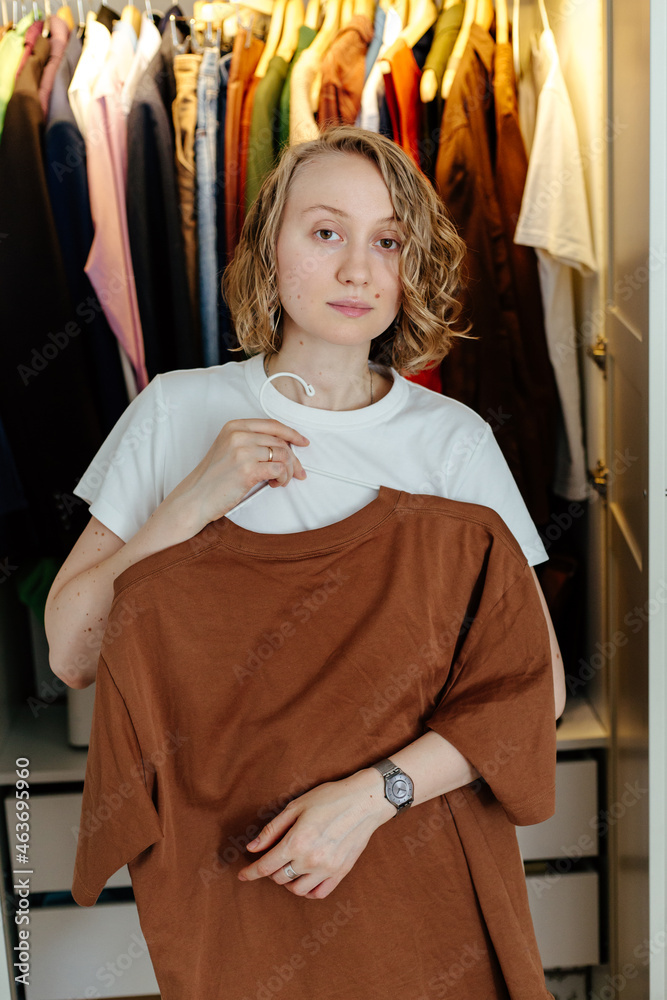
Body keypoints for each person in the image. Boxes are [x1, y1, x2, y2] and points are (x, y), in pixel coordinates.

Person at [46, 124, 563, 997]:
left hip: (418, 873)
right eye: (326, 232)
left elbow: (533, 691)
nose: (358, 269)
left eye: (387, 242)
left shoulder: (453, 443)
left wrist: (371, 797)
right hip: (232, 878)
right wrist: (194, 501)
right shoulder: (176, 412)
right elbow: (72, 652)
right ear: (268, 244)